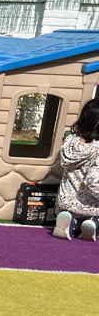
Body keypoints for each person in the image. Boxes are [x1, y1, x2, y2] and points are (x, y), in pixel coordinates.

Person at [53, 96, 99, 241]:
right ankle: (92, 222)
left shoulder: (69, 141)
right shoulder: (97, 149)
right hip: (90, 205)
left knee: (68, 210)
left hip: (65, 201)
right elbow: (93, 183)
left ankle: (69, 219)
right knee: (94, 214)